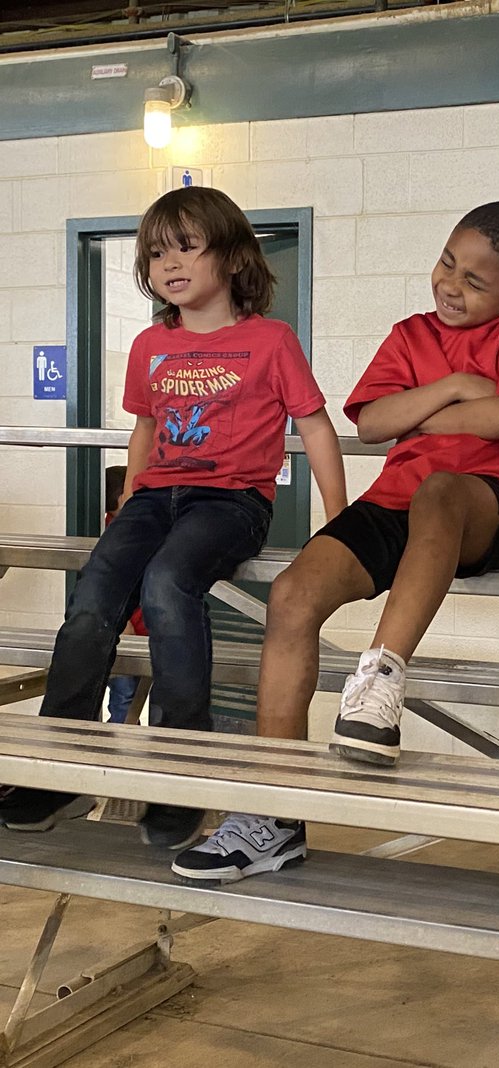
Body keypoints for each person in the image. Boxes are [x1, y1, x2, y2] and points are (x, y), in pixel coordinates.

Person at [171, 200, 499, 884]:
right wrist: (450, 387)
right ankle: (273, 814)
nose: (451, 283)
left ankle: (379, 682)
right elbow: (376, 424)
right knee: (293, 594)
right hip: (397, 500)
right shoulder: (410, 334)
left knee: (441, 489)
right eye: (448, 261)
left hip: (486, 504)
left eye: (476, 281)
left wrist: (428, 411)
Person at [0, 186, 347, 848]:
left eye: (187, 246)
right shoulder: (150, 345)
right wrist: (131, 494)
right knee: (94, 595)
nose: (169, 262)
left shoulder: (270, 341)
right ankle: (61, 766)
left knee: (166, 585)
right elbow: (146, 426)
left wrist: (337, 519)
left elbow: (316, 427)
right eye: (156, 252)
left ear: (235, 257)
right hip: (156, 495)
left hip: (233, 499)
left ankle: (182, 770)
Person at [102, 465, 148, 725]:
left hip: (143, 627)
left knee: (127, 698)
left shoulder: (126, 526)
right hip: (128, 628)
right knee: (124, 699)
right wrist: (123, 622)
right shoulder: (116, 533)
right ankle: (117, 749)